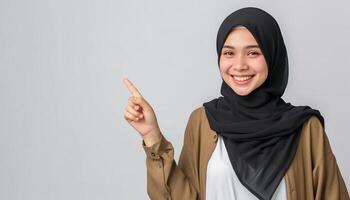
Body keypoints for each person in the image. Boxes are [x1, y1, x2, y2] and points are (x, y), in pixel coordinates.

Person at [123, 7, 349, 200]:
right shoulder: (203, 121)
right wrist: (151, 135)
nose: (239, 65)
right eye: (229, 53)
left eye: (253, 53)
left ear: (272, 55)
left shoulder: (305, 128)